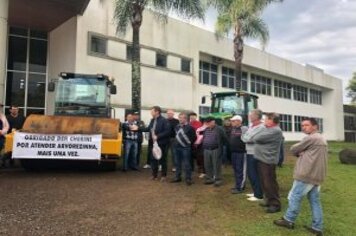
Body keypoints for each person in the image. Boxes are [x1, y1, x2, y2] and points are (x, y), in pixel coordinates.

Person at [274, 118, 328, 236]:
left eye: (307, 125)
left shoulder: (312, 138)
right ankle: (317, 227)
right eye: (302, 125)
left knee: (295, 196)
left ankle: (289, 220)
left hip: (307, 174)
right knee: (315, 201)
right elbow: (300, 151)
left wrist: (299, 152)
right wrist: (301, 152)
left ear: (315, 126)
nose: (303, 127)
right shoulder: (322, 138)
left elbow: (293, 149)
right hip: (317, 175)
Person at [244, 113, 283, 213]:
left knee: (269, 182)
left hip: (268, 160)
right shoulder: (268, 129)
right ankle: (268, 200)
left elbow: (256, 138)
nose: (264, 121)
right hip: (263, 159)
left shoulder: (275, 130)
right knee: (264, 182)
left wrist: (254, 134)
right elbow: (255, 137)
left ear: (272, 120)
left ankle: (275, 204)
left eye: (266, 119)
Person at [138, 106, 170, 181]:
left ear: (157, 112)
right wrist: (138, 128)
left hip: (162, 143)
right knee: (153, 159)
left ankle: (163, 176)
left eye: (152, 111)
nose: (151, 113)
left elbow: (167, 131)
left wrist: (158, 136)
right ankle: (154, 175)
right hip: (153, 144)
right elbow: (148, 128)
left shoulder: (164, 121)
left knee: (162, 160)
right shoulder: (152, 120)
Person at [241, 109, 264, 201]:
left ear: (257, 116)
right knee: (251, 173)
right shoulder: (251, 126)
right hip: (249, 152)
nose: (249, 116)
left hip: (255, 152)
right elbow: (244, 137)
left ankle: (259, 195)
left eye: (251, 114)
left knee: (255, 174)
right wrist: (245, 137)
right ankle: (256, 192)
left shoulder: (261, 127)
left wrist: (245, 137)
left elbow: (248, 139)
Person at [201, 116, 228, 187]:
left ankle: (218, 179)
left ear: (213, 122)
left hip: (215, 149)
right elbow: (204, 137)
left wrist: (221, 148)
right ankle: (210, 178)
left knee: (216, 165)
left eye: (208, 123)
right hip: (206, 149)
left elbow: (225, 139)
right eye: (206, 123)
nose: (207, 124)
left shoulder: (219, 129)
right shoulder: (206, 129)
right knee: (207, 165)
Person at [170, 112, 196, 185]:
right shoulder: (177, 126)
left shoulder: (190, 127)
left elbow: (194, 137)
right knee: (177, 163)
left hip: (185, 147)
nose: (180, 119)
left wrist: (187, 143)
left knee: (187, 163)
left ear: (186, 119)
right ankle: (177, 177)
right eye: (179, 117)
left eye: (182, 118)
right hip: (176, 147)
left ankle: (188, 178)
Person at [229, 115, 248, 194]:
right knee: (236, 169)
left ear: (239, 121)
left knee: (241, 170)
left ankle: (240, 187)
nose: (232, 122)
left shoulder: (244, 129)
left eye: (233, 121)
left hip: (241, 153)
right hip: (234, 152)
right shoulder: (233, 129)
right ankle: (237, 184)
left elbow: (246, 139)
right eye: (232, 121)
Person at [190, 112, 204, 178]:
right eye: (191, 117)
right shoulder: (189, 124)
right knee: (191, 155)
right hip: (191, 142)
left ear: (196, 117)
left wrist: (198, 141)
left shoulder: (199, 124)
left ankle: (200, 167)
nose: (192, 118)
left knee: (199, 156)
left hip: (198, 142)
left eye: (193, 117)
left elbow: (201, 133)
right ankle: (191, 167)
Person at [0, 104, 10, 168]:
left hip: (1, 136)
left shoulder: (3, 115)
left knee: (4, 149)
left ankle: (1, 162)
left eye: (0, 107)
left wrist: (2, 131)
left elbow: (7, 126)